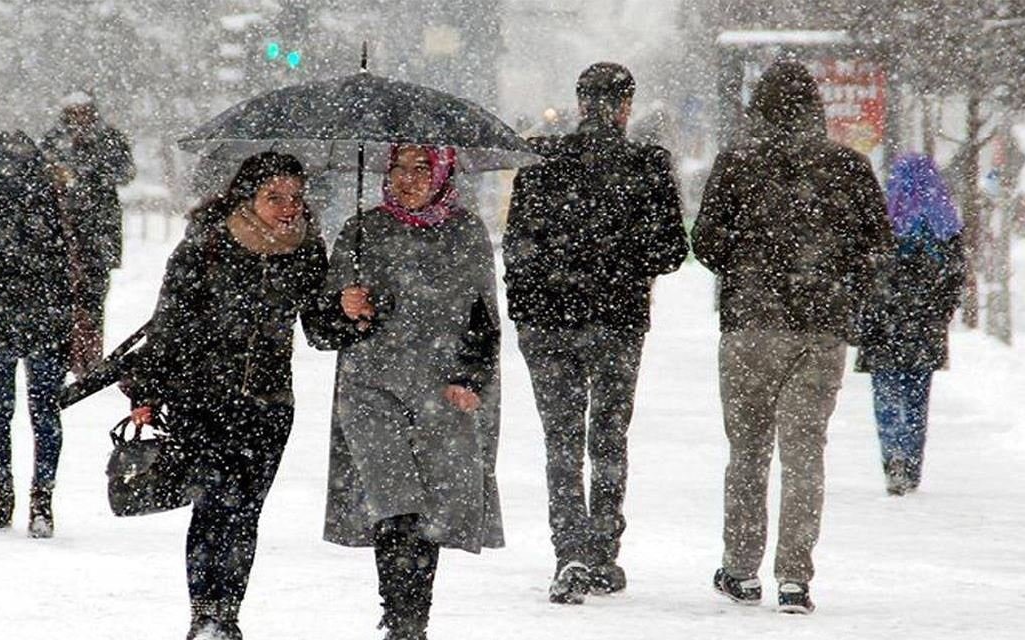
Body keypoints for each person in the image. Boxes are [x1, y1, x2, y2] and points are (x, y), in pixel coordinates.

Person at [691, 61, 895, 614]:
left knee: (748, 451)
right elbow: (878, 243)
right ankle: (795, 578)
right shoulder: (848, 167)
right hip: (822, 328)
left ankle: (740, 569)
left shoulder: (736, 164)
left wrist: (750, 262)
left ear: (757, 108)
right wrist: (834, 275)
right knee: (805, 455)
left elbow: (705, 243)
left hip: (750, 326)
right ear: (816, 108)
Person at [123, 153, 342, 640]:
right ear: (248, 196)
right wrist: (147, 389)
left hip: (269, 404)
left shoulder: (306, 250)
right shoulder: (208, 244)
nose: (288, 208)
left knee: (244, 512)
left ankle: (227, 613)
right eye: (275, 197)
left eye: (295, 198)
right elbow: (169, 325)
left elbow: (321, 332)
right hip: (202, 398)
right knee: (212, 506)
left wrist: (348, 310)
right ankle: (206, 615)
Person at [503, 62, 688, 604]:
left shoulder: (541, 160)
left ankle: (571, 552)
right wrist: (622, 259)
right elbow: (672, 252)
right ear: (626, 105)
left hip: (549, 321)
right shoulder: (646, 165)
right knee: (608, 435)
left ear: (581, 101)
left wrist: (529, 307)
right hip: (618, 320)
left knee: (560, 440)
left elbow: (517, 246)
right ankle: (605, 550)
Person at [323, 145, 503, 640]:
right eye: (398, 168)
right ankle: (400, 616)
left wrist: (471, 378)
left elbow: (484, 319)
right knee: (393, 501)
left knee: (428, 510)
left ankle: (412, 618)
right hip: (370, 389)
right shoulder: (362, 231)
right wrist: (344, 306)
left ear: (443, 173)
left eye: (421, 168)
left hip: (440, 391)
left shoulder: (467, 232)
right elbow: (320, 327)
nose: (408, 179)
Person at [0, 131, 73, 537]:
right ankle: (42, 502)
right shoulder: (50, 194)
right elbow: (64, 262)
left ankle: (2, 498)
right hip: (45, 317)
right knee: (45, 414)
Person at [856, 153, 965, 496]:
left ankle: (893, 459)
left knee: (886, 394)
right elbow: (955, 277)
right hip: (924, 325)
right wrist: (940, 312)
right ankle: (912, 463)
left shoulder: (884, 215)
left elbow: (863, 268)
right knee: (917, 398)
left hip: (883, 321)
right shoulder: (945, 223)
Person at [41, 93, 135, 376]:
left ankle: (90, 358)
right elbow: (43, 173)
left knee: (93, 299)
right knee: (62, 299)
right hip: (62, 231)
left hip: (98, 232)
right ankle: (65, 356)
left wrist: (92, 173)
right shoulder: (54, 140)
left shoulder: (109, 139)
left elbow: (126, 172)